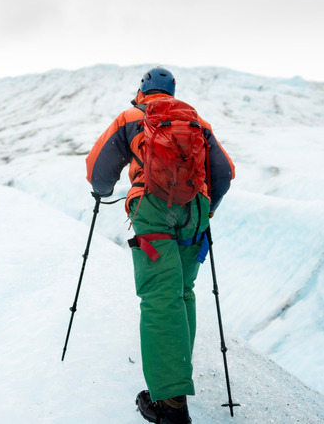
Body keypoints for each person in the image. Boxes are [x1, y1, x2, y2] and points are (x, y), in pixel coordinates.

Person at [85, 67, 235, 424]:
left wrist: (101, 193)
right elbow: (224, 172)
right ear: (172, 92)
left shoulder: (132, 117)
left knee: (159, 297)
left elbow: (98, 169)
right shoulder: (197, 122)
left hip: (152, 207)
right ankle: (177, 371)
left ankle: (170, 404)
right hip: (194, 210)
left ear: (142, 90)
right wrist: (205, 208)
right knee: (183, 291)